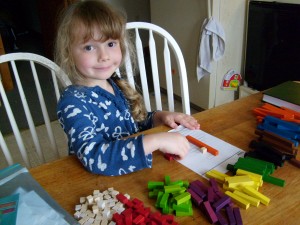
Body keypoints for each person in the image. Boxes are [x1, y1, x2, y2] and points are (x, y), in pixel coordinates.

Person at [54, 0, 200, 176]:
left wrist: (160, 117)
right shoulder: (72, 102)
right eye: (89, 47)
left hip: (132, 175)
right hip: (98, 185)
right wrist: (155, 141)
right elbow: (94, 157)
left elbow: (134, 127)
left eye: (110, 44)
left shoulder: (114, 84)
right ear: (69, 53)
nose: (104, 56)